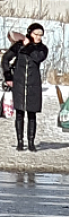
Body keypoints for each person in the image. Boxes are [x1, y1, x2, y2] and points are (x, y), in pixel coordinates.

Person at [1, 23, 48, 152]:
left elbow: (37, 58)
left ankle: (31, 142)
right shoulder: (19, 46)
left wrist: (29, 46)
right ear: (30, 33)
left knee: (32, 114)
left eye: (40, 35)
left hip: (34, 85)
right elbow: (5, 59)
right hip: (19, 84)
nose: (38, 37)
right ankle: (20, 142)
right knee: (20, 113)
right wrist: (8, 77)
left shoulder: (42, 49)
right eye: (35, 34)